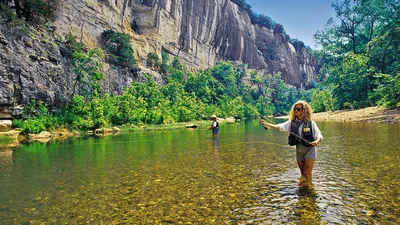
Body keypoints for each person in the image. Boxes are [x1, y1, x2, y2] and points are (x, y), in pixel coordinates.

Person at [260, 100, 323, 187]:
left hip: (310, 150)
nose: (296, 111)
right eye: (295, 109)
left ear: (304, 110)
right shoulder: (291, 123)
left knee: (307, 172)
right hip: (299, 151)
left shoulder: (311, 123)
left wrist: (317, 141)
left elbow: (319, 135)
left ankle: (309, 190)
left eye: (298, 109)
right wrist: (267, 124)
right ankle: (306, 187)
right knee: (303, 173)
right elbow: (280, 127)